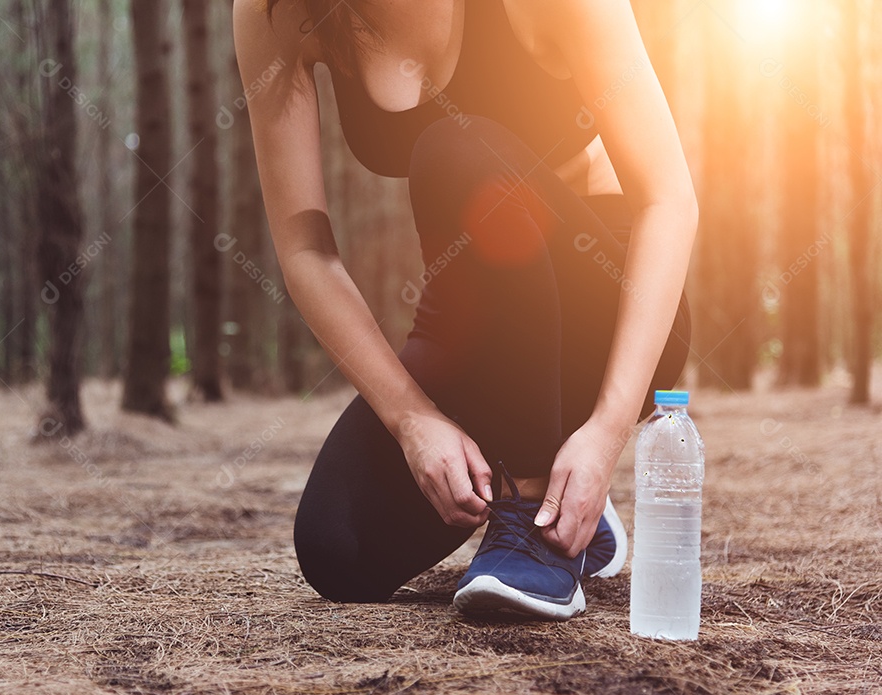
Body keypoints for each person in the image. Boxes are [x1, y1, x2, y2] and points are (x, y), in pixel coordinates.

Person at [233, 0, 695, 620]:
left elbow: (668, 201)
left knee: (453, 146)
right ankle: (571, 506)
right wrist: (411, 420)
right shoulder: (277, 11)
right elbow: (306, 250)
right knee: (337, 547)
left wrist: (607, 433)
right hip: (480, 320)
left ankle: (536, 514)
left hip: (608, 309)